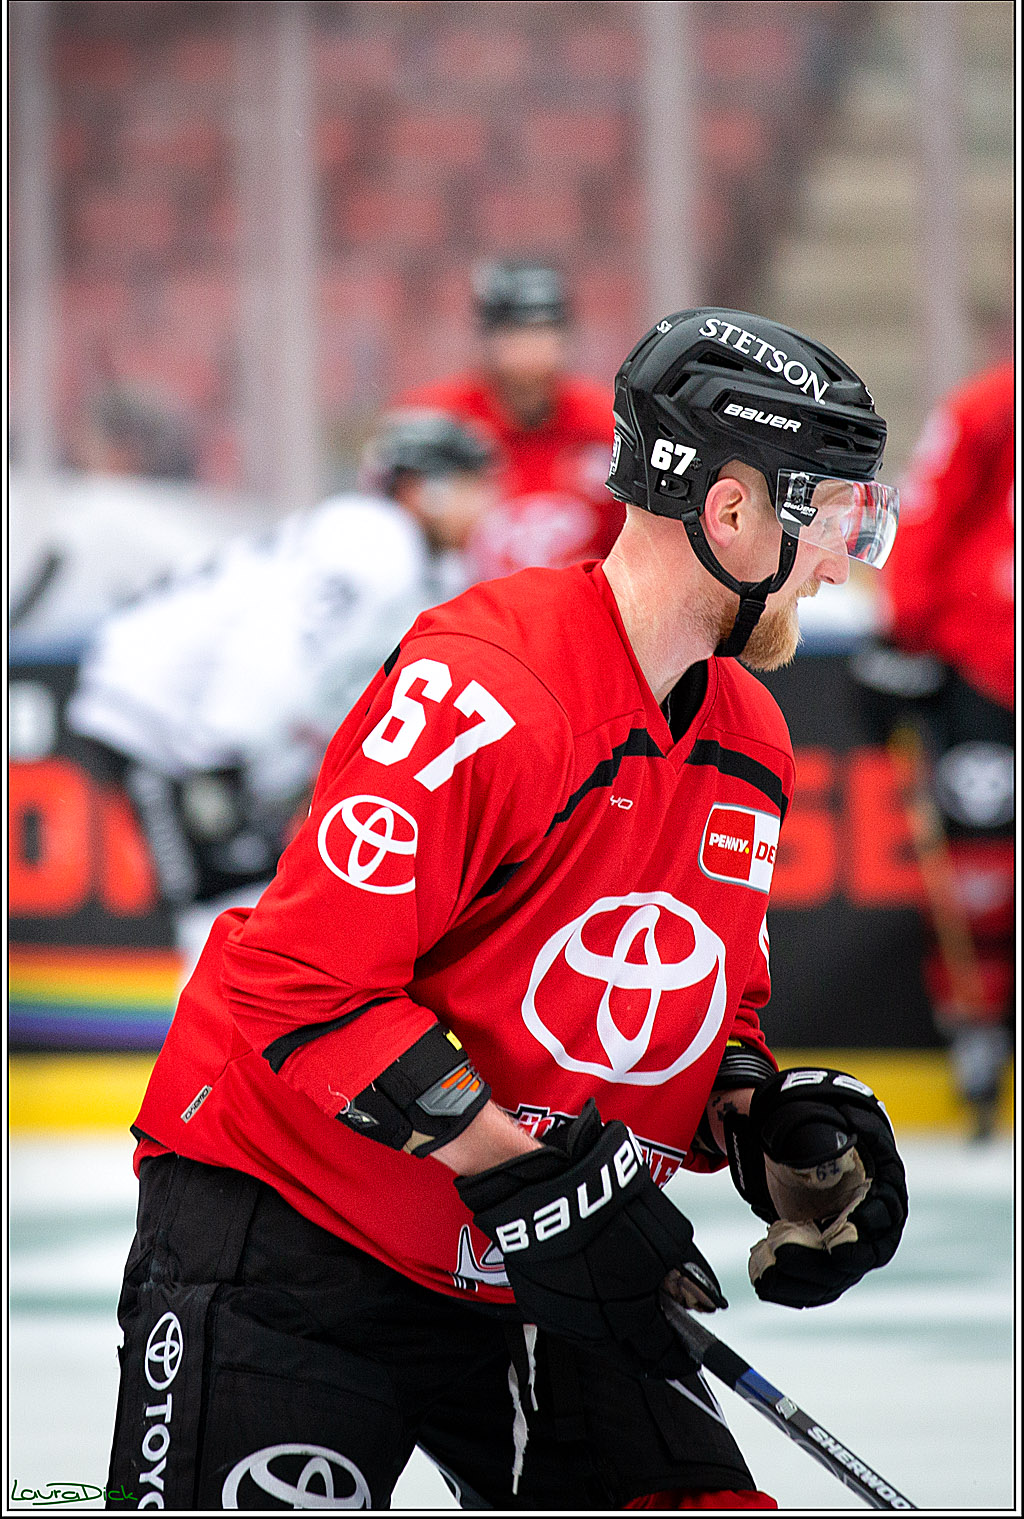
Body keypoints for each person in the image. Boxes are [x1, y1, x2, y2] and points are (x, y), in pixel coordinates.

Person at [105, 310, 908, 1511]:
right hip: (297, 1228)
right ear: (732, 513)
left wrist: (756, 1115)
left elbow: (690, 1000)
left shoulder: (748, 733)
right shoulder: (486, 684)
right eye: (835, 521)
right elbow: (301, 984)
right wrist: (523, 1174)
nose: (841, 563)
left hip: (530, 1249)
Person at [68, 410, 495, 969]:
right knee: (228, 905)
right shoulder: (376, 542)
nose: (481, 503)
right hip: (161, 717)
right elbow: (279, 642)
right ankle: (211, 1051)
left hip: (192, 720)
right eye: (464, 484)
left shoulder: (415, 558)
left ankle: (228, 1045)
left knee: (252, 902)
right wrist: (218, 757)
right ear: (421, 488)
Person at [850, 356, 1014, 1137]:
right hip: (989, 670)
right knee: (981, 865)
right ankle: (980, 1036)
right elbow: (933, 509)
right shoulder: (990, 407)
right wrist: (904, 630)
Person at [397, 258, 623, 579]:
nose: (529, 348)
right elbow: (387, 532)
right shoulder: (436, 420)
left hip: (579, 613)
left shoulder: (607, 423)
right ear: (487, 338)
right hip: (467, 609)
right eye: (514, 331)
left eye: (542, 330)